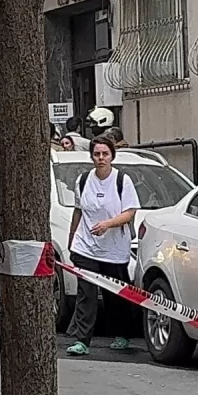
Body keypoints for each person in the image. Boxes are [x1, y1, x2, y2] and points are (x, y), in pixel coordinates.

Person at [65, 135, 141, 356]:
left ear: (112, 156)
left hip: (114, 250)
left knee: (115, 294)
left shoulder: (122, 181)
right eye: (97, 154)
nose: (101, 158)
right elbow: (78, 211)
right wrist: (72, 238)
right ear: (91, 156)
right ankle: (82, 340)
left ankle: (121, 334)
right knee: (86, 294)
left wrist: (108, 224)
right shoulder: (83, 180)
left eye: (105, 154)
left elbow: (130, 212)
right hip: (86, 247)